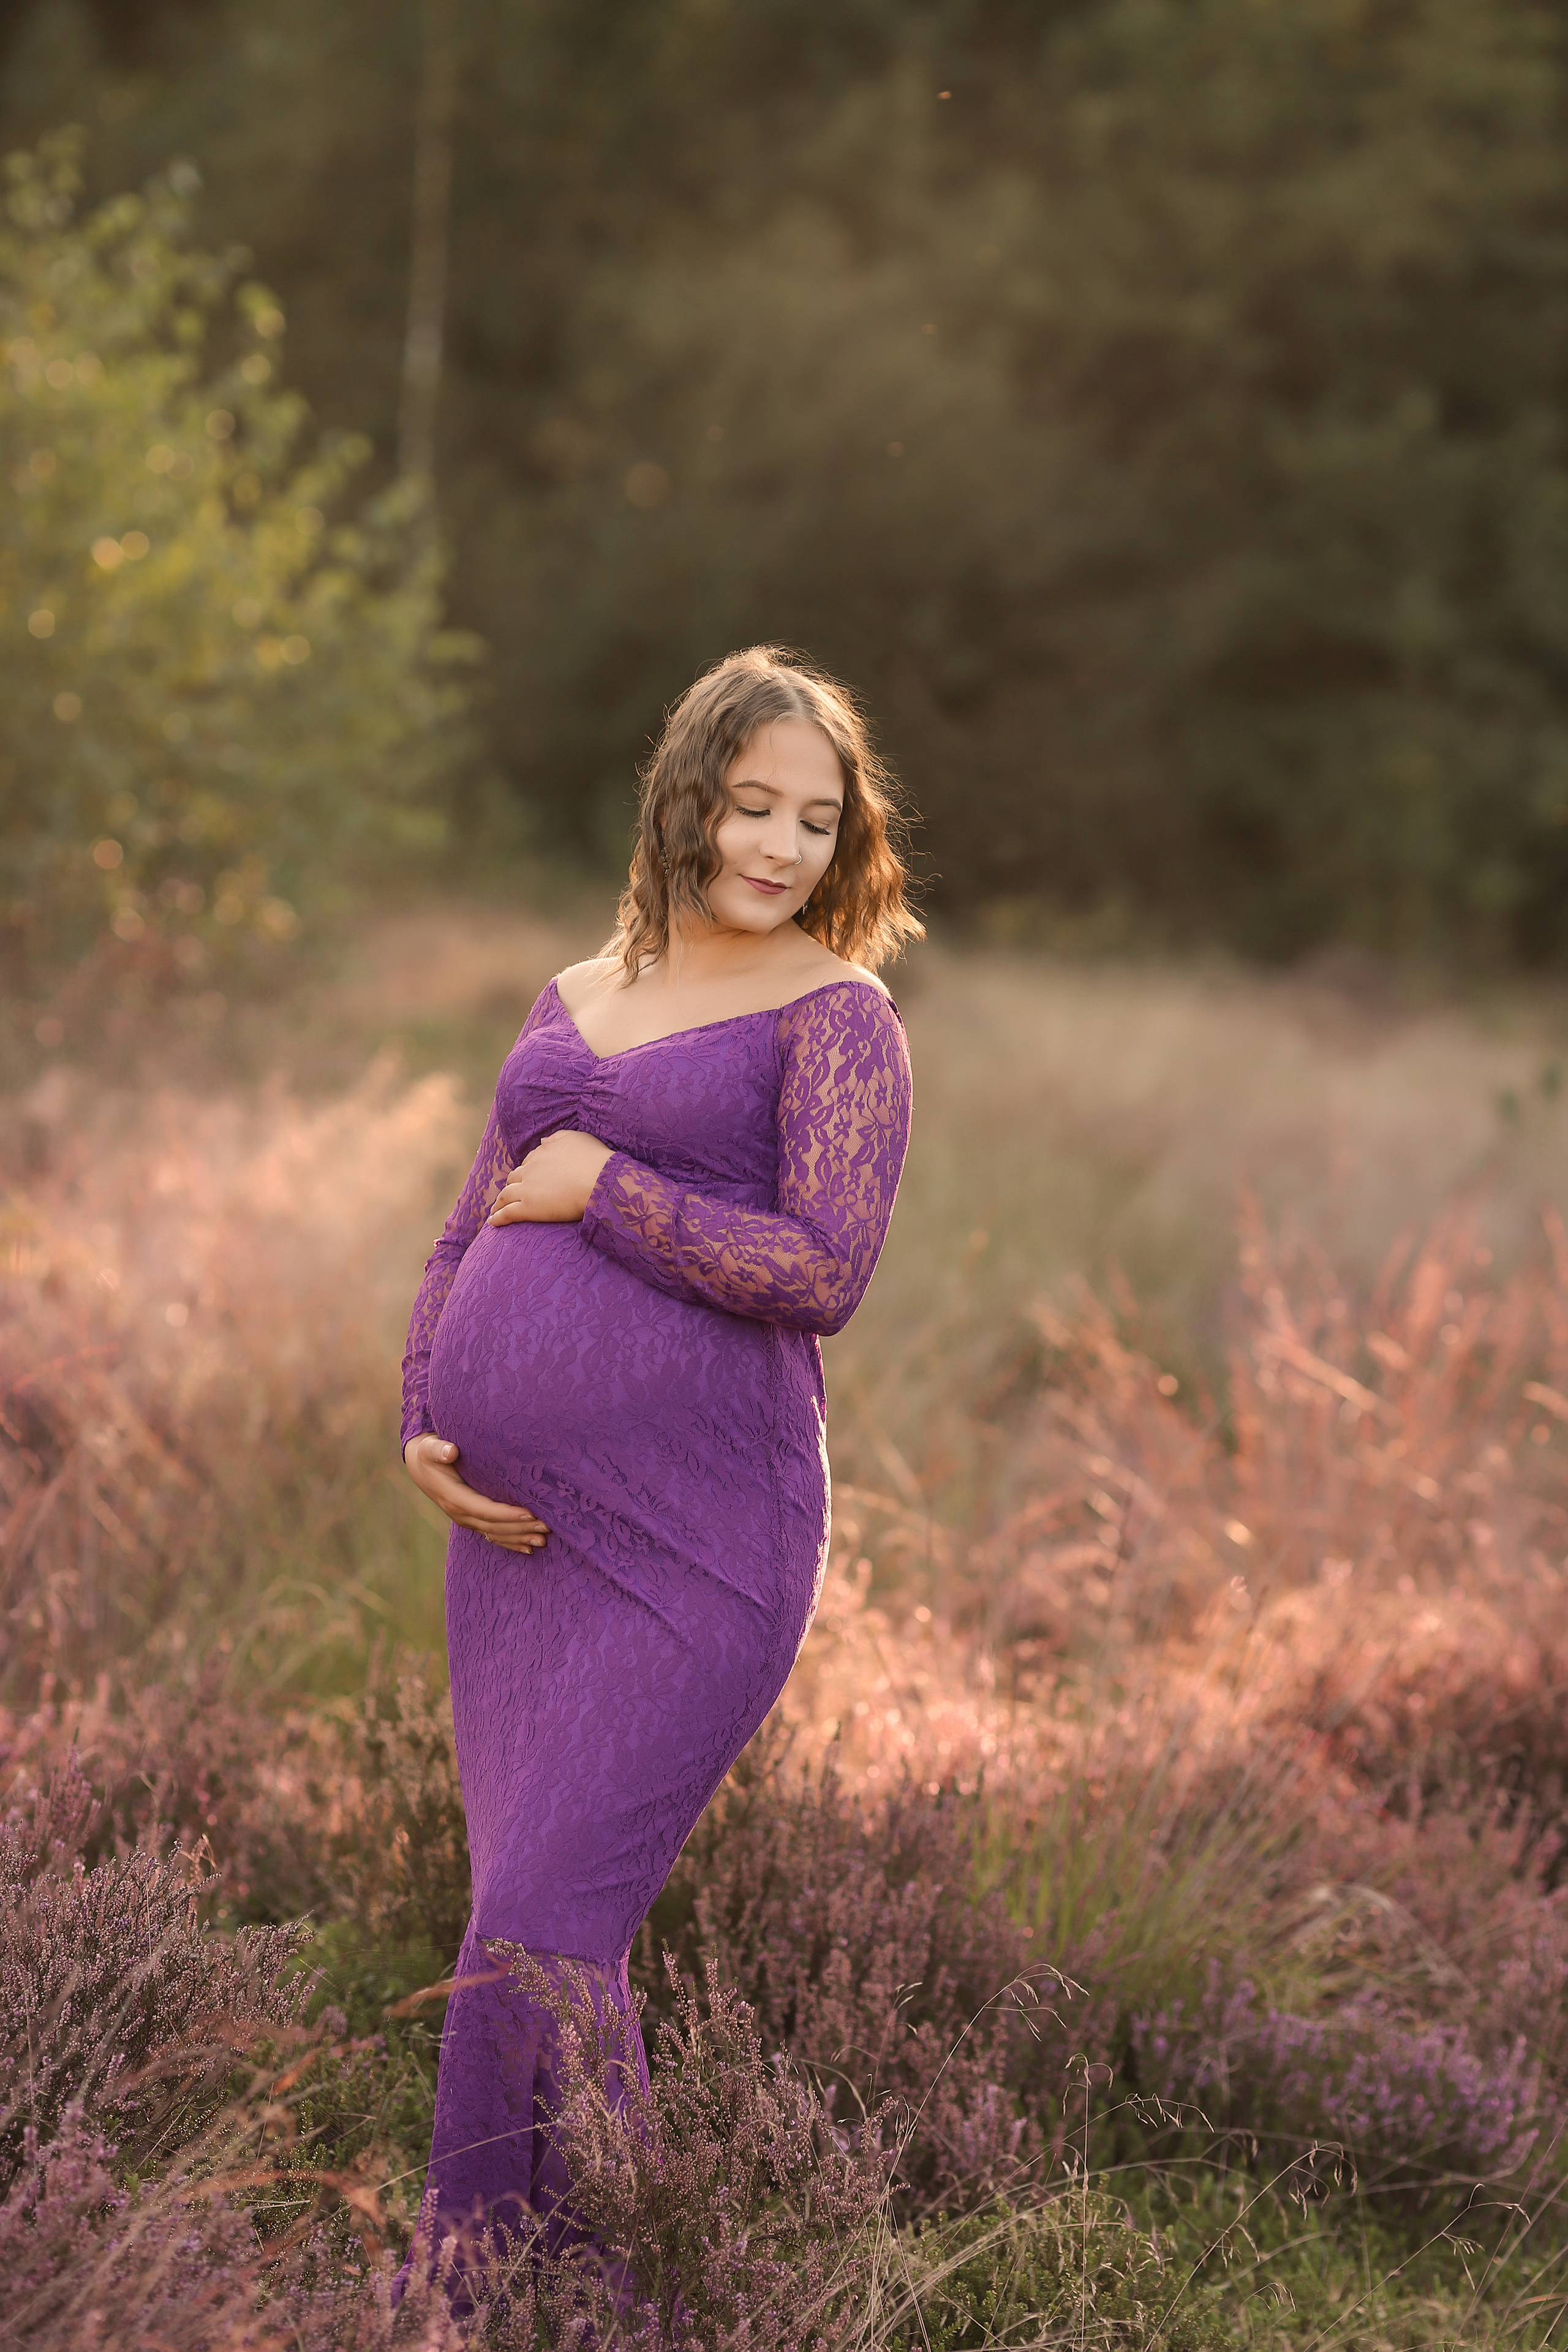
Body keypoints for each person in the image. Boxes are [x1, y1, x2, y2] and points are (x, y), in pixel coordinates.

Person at [396, 644, 920, 2292]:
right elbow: (467, 1225)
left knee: (544, 1919)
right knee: (525, 1925)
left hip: (701, 1541)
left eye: (816, 821)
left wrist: (608, 1194)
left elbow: (823, 1270)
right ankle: (549, 2284)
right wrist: (425, 1418)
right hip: (516, 1544)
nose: (779, 847)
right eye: (751, 805)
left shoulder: (841, 1019)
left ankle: (535, 2284)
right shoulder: (576, 991)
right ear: (684, 800)